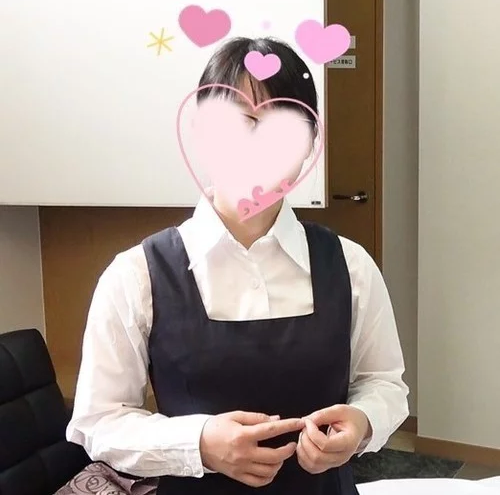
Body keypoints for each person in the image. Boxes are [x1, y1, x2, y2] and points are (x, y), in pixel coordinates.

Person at [67, 37, 409, 495]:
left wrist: (363, 421)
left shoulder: (351, 265)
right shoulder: (136, 276)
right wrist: (199, 444)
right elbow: (99, 421)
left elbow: (384, 384)